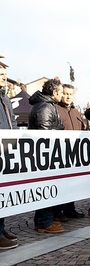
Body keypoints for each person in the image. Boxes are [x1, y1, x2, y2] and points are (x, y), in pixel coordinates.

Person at [29, 78, 65, 233]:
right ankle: (45, 221)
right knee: (46, 187)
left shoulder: (48, 105)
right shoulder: (44, 107)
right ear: (54, 92)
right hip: (46, 155)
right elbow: (44, 135)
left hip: (49, 154)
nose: (63, 95)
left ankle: (43, 220)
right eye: (61, 92)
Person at [55, 84, 85, 219]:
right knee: (62, 183)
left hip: (75, 152)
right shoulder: (56, 109)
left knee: (72, 182)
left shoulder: (76, 111)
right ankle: (59, 211)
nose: (68, 96)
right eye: (65, 93)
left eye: (70, 94)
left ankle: (70, 208)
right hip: (61, 151)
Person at [0, 64, 19, 249]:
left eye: (5, 74)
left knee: (3, 191)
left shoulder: (4, 96)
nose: (4, 77)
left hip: (6, 149)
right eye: (0, 74)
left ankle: (1, 228)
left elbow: (12, 121)